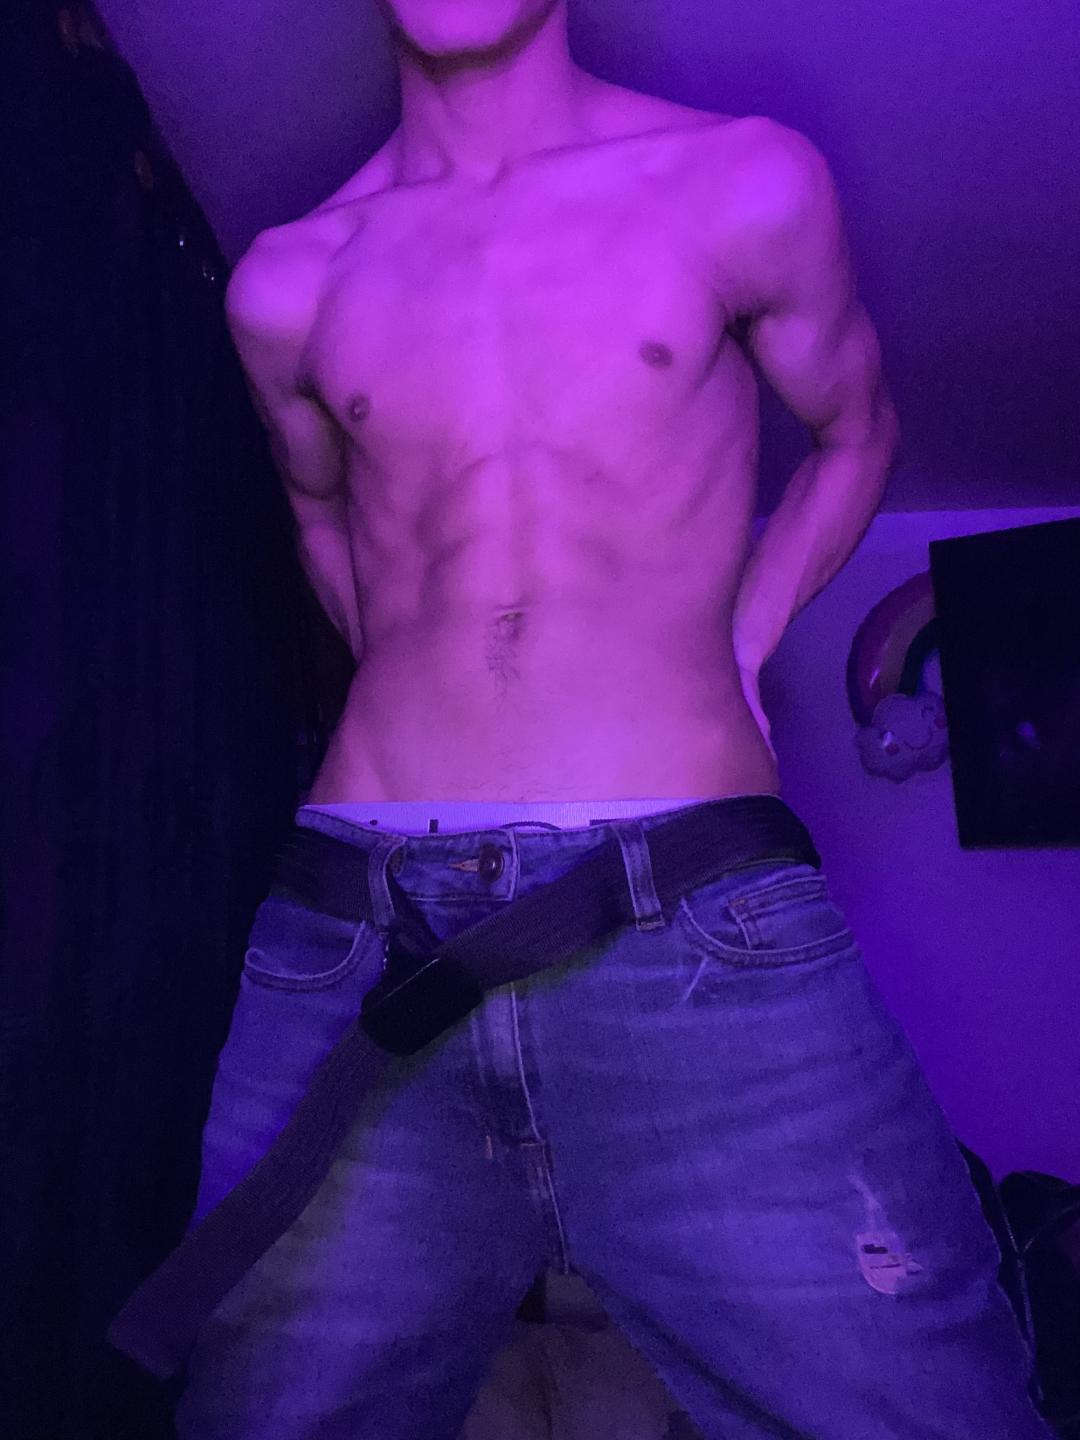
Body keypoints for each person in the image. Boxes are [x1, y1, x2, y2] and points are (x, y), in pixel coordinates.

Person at [174, 2, 1054, 1435]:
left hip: (695, 921)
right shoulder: (287, 280)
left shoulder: (741, 183)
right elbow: (324, 522)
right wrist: (438, 680)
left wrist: (740, 641)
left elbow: (859, 432)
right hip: (356, 941)